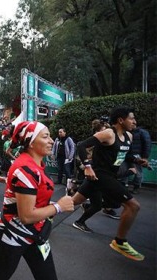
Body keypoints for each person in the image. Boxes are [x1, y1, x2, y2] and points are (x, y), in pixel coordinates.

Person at [0, 121, 74, 280]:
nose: (52, 141)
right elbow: (26, 216)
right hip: (12, 231)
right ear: (31, 142)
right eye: (46, 136)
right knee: (1, 275)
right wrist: (58, 207)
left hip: (35, 232)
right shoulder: (25, 169)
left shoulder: (37, 164)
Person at [72, 107, 146, 261]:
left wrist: (137, 161)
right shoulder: (108, 134)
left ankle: (48, 215)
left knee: (74, 201)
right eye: (131, 118)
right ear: (120, 120)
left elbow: (126, 155)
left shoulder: (129, 136)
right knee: (133, 206)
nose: (134, 122)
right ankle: (120, 242)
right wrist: (87, 166)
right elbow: (81, 145)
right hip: (101, 175)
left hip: (105, 177)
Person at [128, 126, 151, 194]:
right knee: (127, 170)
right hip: (129, 155)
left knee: (138, 172)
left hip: (137, 156)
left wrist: (145, 157)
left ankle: (136, 187)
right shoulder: (129, 131)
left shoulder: (142, 132)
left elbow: (147, 144)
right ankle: (125, 186)